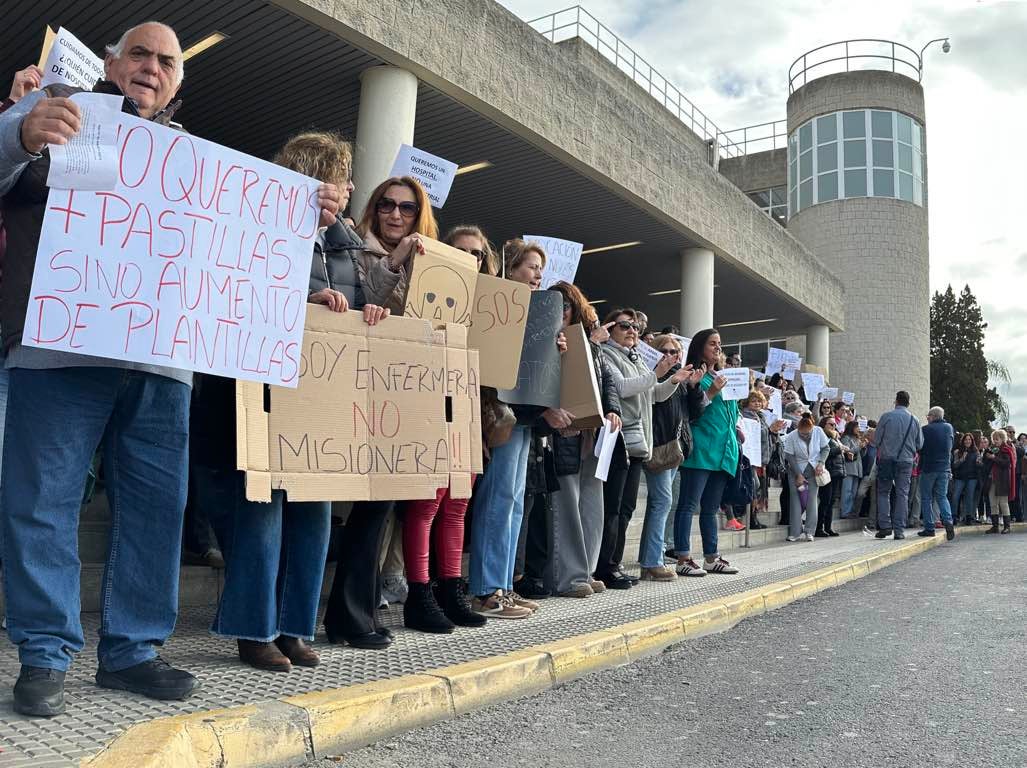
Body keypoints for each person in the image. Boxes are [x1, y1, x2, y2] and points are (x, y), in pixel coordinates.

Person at [0, 23, 216, 716]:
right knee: (41, 501)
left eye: (167, 61)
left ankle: (132, 652)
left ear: (178, 81)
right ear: (113, 63)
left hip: (160, 361)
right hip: (57, 349)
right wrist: (23, 136)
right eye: (140, 55)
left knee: (155, 508)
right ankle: (44, 651)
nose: (152, 68)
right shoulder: (50, 113)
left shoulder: (198, 160)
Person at [192, 132, 387, 668]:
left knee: (314, 514)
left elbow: (360, 299)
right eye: (341, 178)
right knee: (262, 515)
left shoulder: (348, 243)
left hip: (318, 394)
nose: (349, 191)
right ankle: (254, 629)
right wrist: (305, 299)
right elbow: (238, 286)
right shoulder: (259, 226)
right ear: (311, 177)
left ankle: (295, 627)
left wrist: (366, 312)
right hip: (260, 390)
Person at [467, 240, 569, 618]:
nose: (537, 275)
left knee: (512, 502)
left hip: (526, 418)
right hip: (502, 414)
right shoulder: (498, 308)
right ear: (510, 270)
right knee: (498, 500)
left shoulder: (540, 315)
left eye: (540, 269)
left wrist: (553, 351)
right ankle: (485, 588)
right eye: (529, 267)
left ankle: (504, 584)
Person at [599, 309, 691, 588]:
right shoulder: (605, 355)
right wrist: (657, 373)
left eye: (635, 327)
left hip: (638, 442)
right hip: (619, 439)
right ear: (610, 328)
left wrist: (673, 380)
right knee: (611, 507)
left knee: (626, 507)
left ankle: (613, 564)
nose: (632, 331)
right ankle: (604, 567)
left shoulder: (635, 357)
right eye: (624, 325)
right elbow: (622, 387)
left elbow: (652, 394)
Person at [545, 282, 621, 598]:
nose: (561, 311)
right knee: (568, 505)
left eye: (566, 305)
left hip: (593, 432)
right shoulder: (547, 339)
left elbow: (609, 383)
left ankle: (586, 571)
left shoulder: (592, 347)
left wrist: (613, 409)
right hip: (564, 430)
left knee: (592, 505)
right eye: (555, 305)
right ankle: (569, 577)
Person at [673, 329, 741, 576]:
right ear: (700, 347)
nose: (718, 348)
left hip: (723, 450)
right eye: (712, 343)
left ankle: (711, 557)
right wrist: (711, 390)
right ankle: (683, 557)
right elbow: (692, 411)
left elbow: (732, 412)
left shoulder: (722, 376)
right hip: (701, 448)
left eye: (720, 344)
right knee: (688, 504)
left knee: (711, 508)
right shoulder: (693, 376)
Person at [637, 334, 704, 581]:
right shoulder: (650, 374)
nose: (671, 355)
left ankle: (650, 559)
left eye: (675, 351)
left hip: (676, 447)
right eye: (665, 350)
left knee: (664, 502)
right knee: (662, 501)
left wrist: (695, 387)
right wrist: (672, 378)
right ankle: (653, 560)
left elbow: (694, 413)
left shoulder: (682, 376)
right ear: (655, 352)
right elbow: (653, 402)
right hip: (658, 445)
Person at [873, 391, 923, 539]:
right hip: (906, 461)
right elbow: (920, 443)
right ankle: (899, 530)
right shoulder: (914, 420)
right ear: (908, 403)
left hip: (887, 459)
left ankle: (885, 526)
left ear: (896, 401)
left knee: (883, 492)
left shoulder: (886, 417)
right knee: (903, 494)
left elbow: (876, 440)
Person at [782, 414, 829, 542]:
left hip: (814, 470)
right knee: (795, 500)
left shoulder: (818, 431)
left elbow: (826, 448)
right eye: (802, 434)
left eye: (807, 434)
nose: (805, 436)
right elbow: (790, 456)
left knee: (812, 501)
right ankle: (795, 532)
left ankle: (810, 531)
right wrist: (798, 474)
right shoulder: (792, 436)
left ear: (812, 428)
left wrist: (821, 463)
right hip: (795, 470)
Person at [917, 406, 955, 540]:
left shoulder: (925, 430)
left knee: (926, 498)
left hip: (929, 467)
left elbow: (920, 448)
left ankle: (929, 527)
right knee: (942, 497)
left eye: (928, 416)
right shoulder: (949, 428)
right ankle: (949, 522)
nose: (927, 418)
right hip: (944, 467)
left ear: (933, 416)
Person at [982, 430, 1016, 534]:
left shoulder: (1007, 450)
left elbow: (1006, 464)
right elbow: (986, 463)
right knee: (993, 504)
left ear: (1002, 438)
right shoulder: (992, 449)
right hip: (992, 480)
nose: (995, 441)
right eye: (994, 439)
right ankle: (995, 526)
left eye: (997, 439)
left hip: (1002, 480)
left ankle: (1007, 526)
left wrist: (994, 458)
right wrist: (986, 455)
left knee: (1003, 503)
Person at [815, 417, 844, 537]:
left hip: (836, 471)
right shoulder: (822, 437)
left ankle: (828, 527)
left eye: (834, 424)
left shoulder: (834, 437)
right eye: (830, 424)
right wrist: (839, 449)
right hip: (828, 471)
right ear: (824, 425)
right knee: (825, 500)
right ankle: (819, 528)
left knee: (831, 501)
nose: (833, 427)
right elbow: (826, 452)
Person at [951, 433, 979, 525]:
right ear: (963, 441)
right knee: (955, 497)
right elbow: (954, 465)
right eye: (966, 440)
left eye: (969, 440)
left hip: (972, 478)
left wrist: (979, 462)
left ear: (972, 441)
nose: (968, 441)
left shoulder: (976, 451)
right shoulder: (957, 452)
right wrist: (962, 459)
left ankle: (968, 517)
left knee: (969, 497)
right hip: (960, 477)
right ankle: (954, 516)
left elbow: (980, 465)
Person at [839, 421, 864, 519]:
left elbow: (860, 455)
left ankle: (850, 511)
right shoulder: (846, 438)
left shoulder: (857, 439)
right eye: (857, 427)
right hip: (849, 468)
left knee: (853, 492)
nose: (858, 429)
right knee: (847, 491)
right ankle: (845, 512)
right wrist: (859, 447)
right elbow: (847, 451)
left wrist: (863, 448)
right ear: (851, 427)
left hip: (857, 468)